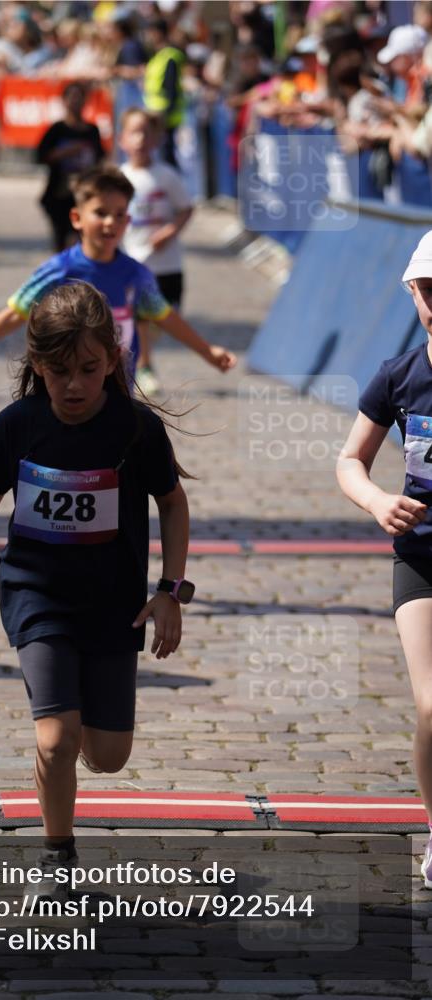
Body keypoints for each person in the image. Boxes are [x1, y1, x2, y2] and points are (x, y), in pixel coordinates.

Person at [0, 281, 197, 893]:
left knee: (110, 755)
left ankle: (79, 734)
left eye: (88, 369)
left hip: (116, 605)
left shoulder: (135, 429)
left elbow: (172, 503)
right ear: (36, 365)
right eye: (58, 370)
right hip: (37, 597)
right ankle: (57, 855)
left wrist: (169, 588)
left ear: (111, 361)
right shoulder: (17, 425)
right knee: (56, 738)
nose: (73, 385)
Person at [0, 165, 235, 382]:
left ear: (128, 220)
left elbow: (164, 316)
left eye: (119, 214)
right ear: (77, 218)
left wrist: (208, 351)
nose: (110, 223)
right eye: (101, 213)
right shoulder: (58, 271)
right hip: (63, 392)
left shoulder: (136, 275)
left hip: (118, 393)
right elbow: (15, 313)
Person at [336, 230, 432, 887]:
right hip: (421, 556)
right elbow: (349, 460)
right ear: (411, 290)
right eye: (430, 289)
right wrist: (375, 501)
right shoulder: (398, 376)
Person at [120, 107, 194, 397]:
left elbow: (186, 209)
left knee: (169, 315)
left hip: (168, 263)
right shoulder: (118, 178)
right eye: (133, 132)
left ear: (157, 139)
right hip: (134, 262)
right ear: (121, 139)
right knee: (140, 316)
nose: (139, 139)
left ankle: (142, 354)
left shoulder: (166, 176)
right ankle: (144, 365)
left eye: (146, 133)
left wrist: (170, 231)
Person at [36, 82, 104, 253]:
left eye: (79, 97)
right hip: (60, 194)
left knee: (82, 240)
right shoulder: (57, 130)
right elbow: (41, 156)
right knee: (61, 242)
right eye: (71, 97)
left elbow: (100, 159)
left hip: (84, 194)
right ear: (64, 101)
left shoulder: (92, 130)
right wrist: (65, 153)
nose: (75, 102)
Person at [142, 17, 186, 168]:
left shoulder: (170, 56)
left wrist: (165, 114)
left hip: (165, 116)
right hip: (156, 113)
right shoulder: (158, 56)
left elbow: (171, 87)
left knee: (167, 157)